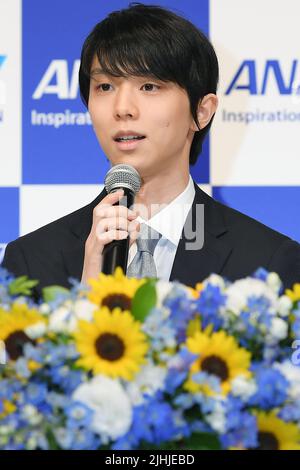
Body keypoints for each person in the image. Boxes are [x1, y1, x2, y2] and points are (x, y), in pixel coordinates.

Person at [2, 3, 300, 296]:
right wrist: (84, 302)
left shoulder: (269, 264)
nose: (122, 109)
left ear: (202, 111)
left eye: (149, 87)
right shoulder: (30, 262)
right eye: (105, 87)